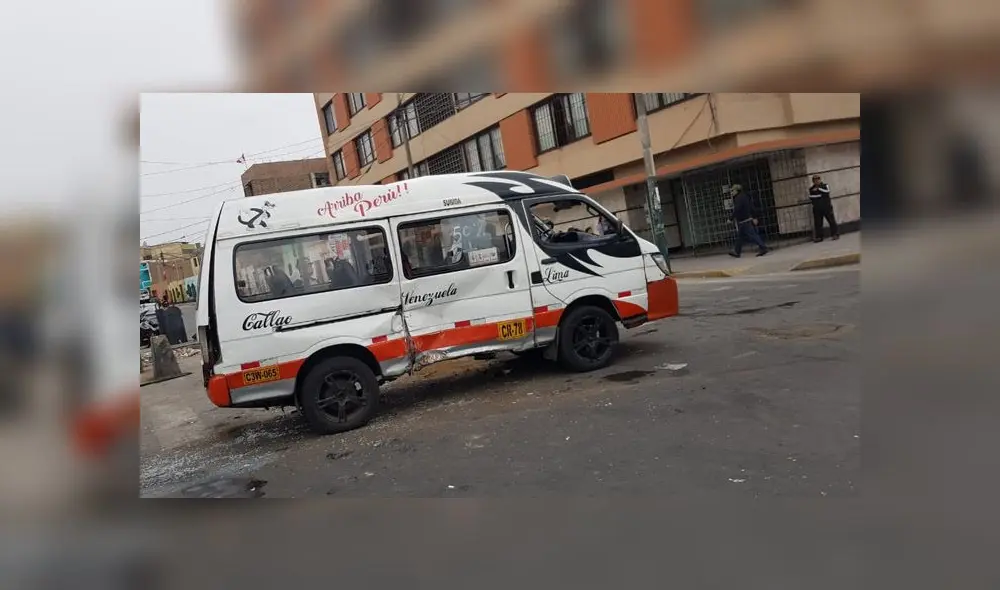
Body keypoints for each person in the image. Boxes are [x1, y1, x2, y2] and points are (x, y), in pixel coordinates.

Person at [728, 184, 769, 258]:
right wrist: (754, 217)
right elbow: (751, 207)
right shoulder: (745, 197)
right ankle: (737, 252)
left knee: (752, 235)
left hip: (744, 221)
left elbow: (737, 209)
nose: (731, 192)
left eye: (732, 190)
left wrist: (731, 218)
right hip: (745, 220)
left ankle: (763, 247)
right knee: (740, 237)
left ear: (737, 190)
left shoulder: (738, 198)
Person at [808, 175, 839, 242]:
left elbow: (827, 192)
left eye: (817, 180)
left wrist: (818, 189)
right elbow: (811, 197)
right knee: (818, 223)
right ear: (813, 181)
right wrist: (819, 195)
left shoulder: (825, 186)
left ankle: (835, 234)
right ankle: (819, 237)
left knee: (831, 221)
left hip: (826, 207)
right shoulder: (811, 189)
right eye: (815, 180)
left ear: (820, 180)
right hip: (817, 208)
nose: (816, 181)